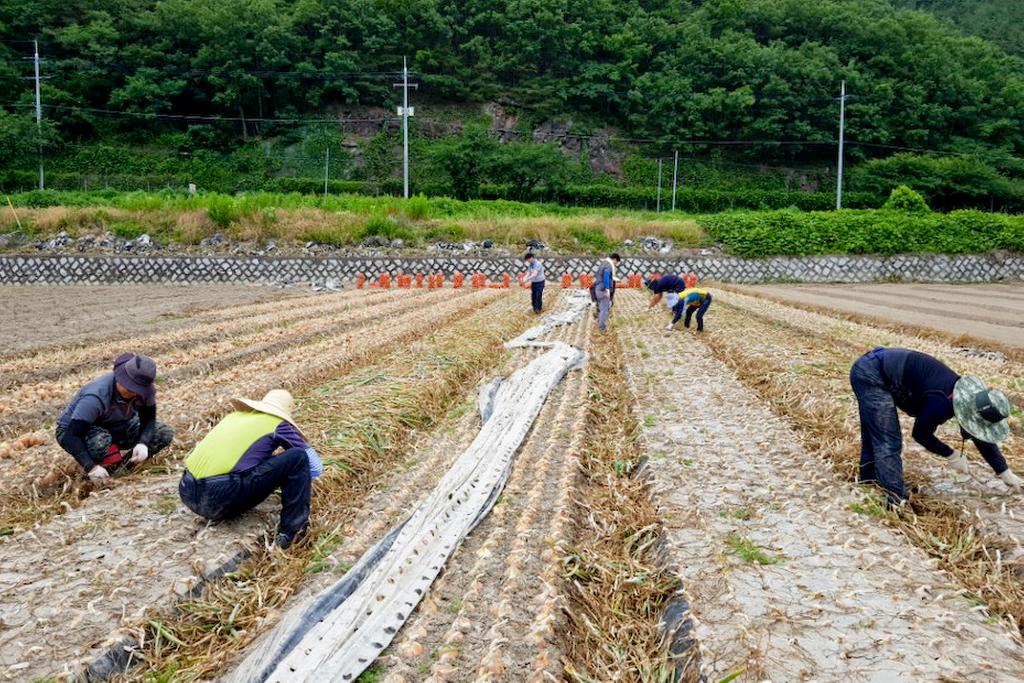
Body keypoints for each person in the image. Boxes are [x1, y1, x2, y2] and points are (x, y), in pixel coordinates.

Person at [849, 347, 1021, 508]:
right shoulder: (941, 402)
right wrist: (951, 454)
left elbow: (980, 435)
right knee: (888, 440)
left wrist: (1003, 471)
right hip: (872, 373)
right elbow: (920, 434)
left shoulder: (971, 398)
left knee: (874, 433)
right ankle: (895, 500)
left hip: (878, 366)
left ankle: (868, 482)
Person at [178, 389, 323, 549]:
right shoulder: (279, 424)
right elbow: (315, 467)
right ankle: (292, 533)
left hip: (187, 491)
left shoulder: (232, 417)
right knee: (297, 457)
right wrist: (296, 481)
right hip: (222, 497)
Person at [56, 353, 174, 483]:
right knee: (100, 442)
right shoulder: (96, 396)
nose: (135, 394)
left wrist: (143, 443)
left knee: (163, 433)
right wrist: (91, 467)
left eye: (139, 390)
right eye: (131, 389)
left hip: (117, 424)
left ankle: (122, 469)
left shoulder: (145, 392)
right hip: (76, 431)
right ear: (120, 378)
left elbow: (149, 419)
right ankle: (99, 470)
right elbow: (72, 436)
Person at [593, 253, 622, 332]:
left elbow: (604, 276)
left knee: (605, 305)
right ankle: (602, 327)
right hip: (603, 289)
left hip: (598, 288)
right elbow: (606, 276)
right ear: (614, 259)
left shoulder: (603, 263)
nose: (615, 264)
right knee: (604, 309)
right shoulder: (609, 265)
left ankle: (600, 320)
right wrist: (607, 289)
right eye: (616, 262)